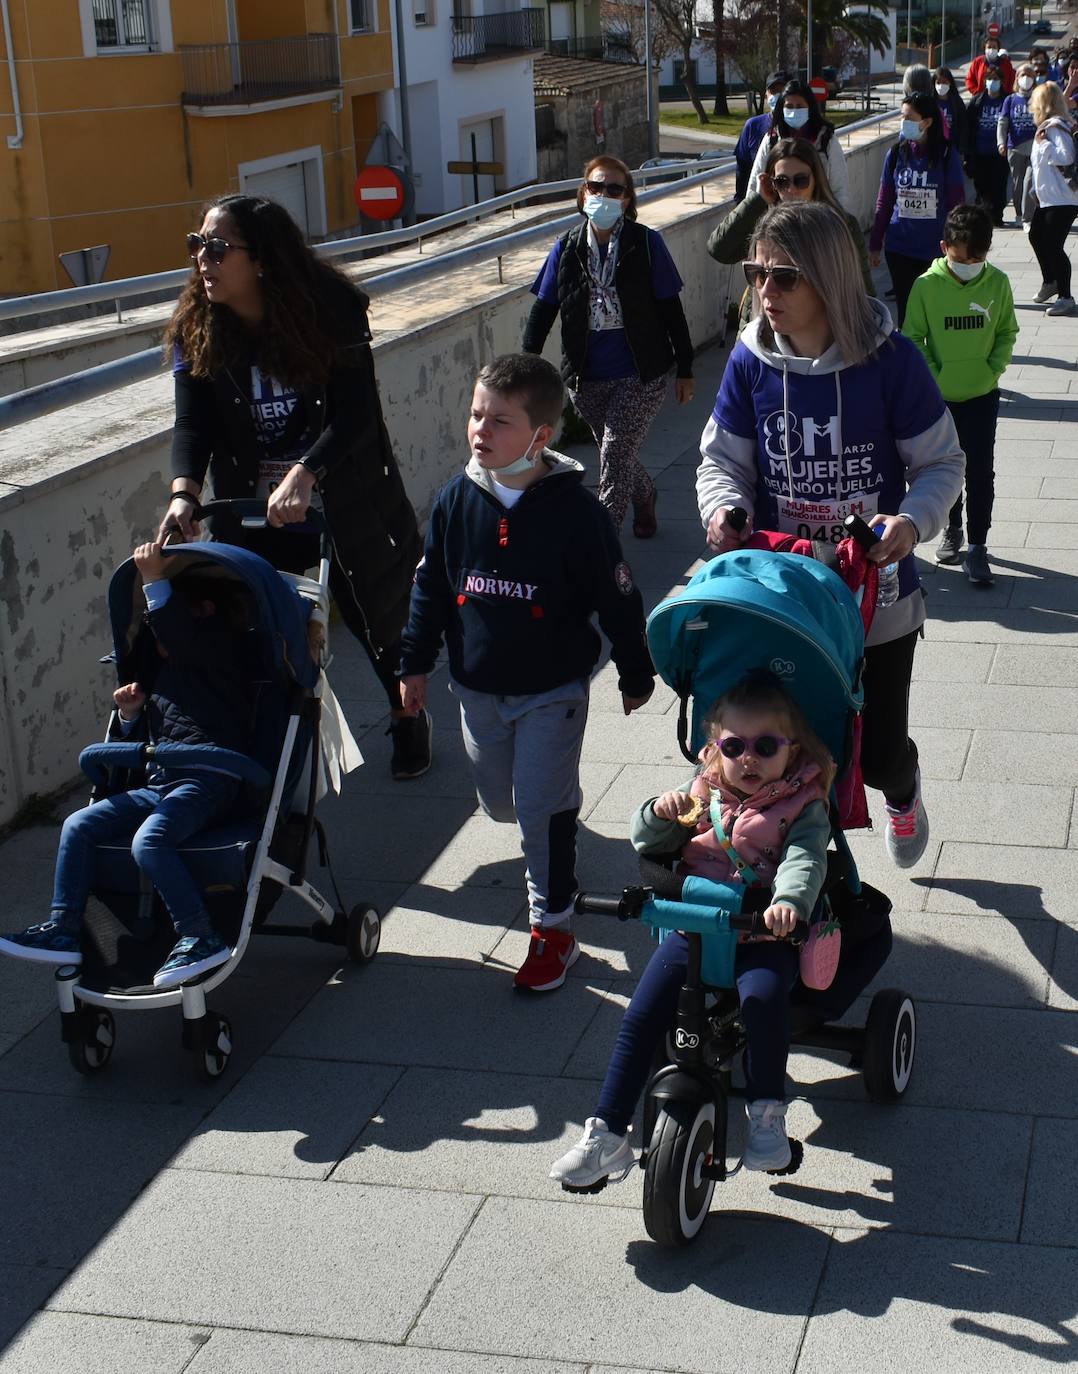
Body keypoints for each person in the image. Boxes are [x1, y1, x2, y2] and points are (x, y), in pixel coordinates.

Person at [697, 201, 965, 867]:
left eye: (784, 276)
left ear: (829, 277)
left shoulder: (893, 362)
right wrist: (723, 508)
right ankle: (807, 890)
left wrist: (909, 523)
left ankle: (902, 793)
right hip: (782, 599)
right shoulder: (749, 362)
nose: (765, 290)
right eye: (758, 273)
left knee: (876, 755)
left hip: (880, 601)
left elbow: (941, 462)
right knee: (791, 756)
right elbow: (722, 461)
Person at [398, 354, 655, 992]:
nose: (480, 430)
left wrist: (635, 670)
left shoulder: (579, 515)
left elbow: (617, 596)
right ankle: (554, 809)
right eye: (476, 414)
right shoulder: (455, 501)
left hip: (553, 692)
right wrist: (414, 662)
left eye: (500, 420)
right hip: (478, 692)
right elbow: (431, 589)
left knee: (538, 810)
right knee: (502, 803)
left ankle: (553, 927)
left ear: (541, 435)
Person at [160, 193, 428, 782]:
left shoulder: (329, 308)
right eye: (197, 245)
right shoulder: (197, 324)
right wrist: (184, 492)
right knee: (256, 617)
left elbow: (356, 414)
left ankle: (405, 713)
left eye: (218, 247)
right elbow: (192, 423)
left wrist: (305, 473)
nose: (203, 258)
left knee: (371, 614)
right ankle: (261, 746)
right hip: (251, 501)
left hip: (340, 486)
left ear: (262, 260)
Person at [549, 675, 835, 1182]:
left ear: (791, 752)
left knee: (764, 1002)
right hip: (695, 928)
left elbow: (805, 861)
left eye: (765, 747)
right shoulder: (703, 790)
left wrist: (788, 901)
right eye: (734, 746)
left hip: (761, 934)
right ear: (713, 748)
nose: (748, 759)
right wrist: (658, 814)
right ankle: (607, 1133)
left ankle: (766, 1116)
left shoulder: (802, 805)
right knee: (641, 1015)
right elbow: (649, 840)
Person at [0, 543, 254, 989]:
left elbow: (181, 636)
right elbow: (132, 756)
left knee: (148, 842)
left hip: (209, 778)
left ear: (204, 612)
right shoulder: (165, 677)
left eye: (166, 623)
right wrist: (131, 716)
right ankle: (64, 928)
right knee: (78, 825)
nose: (158, 638)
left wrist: (155, 580)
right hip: (161, 781)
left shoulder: (222, 655)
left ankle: (200, 933)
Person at [522, 156, 695, 539]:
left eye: (614, 189)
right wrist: (523, 368)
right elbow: (544, 308)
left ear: (627, 199)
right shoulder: (566, 248)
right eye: (596, 187)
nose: (603, 195)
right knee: (616, 452)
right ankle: (646, 494)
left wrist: (685, 367)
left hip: (640, 374)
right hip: (586, 379)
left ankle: (601, 550)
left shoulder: (646, 244)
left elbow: (671, 309)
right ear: (584, 193)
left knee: (614, 455)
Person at [903, 205, 1018, 588]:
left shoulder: (997, 283)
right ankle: (953, 529)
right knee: (945, 469)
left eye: (978, 258)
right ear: (943, 247)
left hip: (982, 395)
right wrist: (934, 378)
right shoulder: (925, 286)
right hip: (939, 402)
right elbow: (913, 340)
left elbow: (1006, 331)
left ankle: (978, 546)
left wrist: (992, 369)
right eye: (960, 258)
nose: (969, 265)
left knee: (980, 470)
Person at [707, 137, 873, 335]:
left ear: (816, 180)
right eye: (781, 182)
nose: (791, 189)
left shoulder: (841, 225)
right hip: (764, 335)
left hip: (819, 342)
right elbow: (719, 249)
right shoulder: (763, 219)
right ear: (771, 183)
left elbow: (864, 293)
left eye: (801, 180)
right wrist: (757, 200)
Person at [869, 93, 966, 324]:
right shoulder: (895, 154)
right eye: (903, 117)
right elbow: (884, 201)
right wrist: (875, 243)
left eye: (909, 118)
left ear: (927, 121)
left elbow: (956, 205)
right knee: (905, 310)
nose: (904, 123)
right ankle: (909, 356)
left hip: (934, 250)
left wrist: (958, 246)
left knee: (932, 312)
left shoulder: (946, 155)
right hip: (899, 247)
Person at [746, 80, 853, 213]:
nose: (794, 111)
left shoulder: (826, 140)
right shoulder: (771, 139)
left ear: (810, 108)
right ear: (782, 109)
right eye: (789, 106)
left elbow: (840, 189)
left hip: (819, 222)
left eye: (800, 106)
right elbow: (754, 186)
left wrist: (841, 222)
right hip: (780, 220)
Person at [1027, 82, 1078, 316]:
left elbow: (1066, 157)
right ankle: (1051, 281)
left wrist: (1044, 144)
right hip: (1048, 198)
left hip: (1062, 199)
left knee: (1053, 245)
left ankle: (1066, 296)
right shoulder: (1046, 128)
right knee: (1036, 235)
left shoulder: (1055, 128)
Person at [734, 70, 791, 202]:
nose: (778, 96)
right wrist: (740, 206)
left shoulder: (797, 125)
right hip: (759, 203)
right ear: (766, 95)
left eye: (782, 91)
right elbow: (742, 169)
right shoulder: (752, 126)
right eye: (774, 91)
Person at [964, 62, 1009, 225]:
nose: (992, 81)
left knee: (998, 185)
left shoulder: (1007, 100)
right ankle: (983, 215)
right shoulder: (977, 101)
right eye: (989, 78)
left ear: (1001, 81)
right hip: (979, 152)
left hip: (999, 153)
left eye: (996, 79)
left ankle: (997, 215)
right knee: (981, 185)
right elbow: (968, 126)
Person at [998, 64, 1039, 228]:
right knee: (1017, 184)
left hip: (1035, 148)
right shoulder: (1010, 99)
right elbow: (1003, 123)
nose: (1026, 78)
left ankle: (1027, 218)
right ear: (1017, 78)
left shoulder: (1038, 98)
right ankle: (1018, 214)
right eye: (1023, 74)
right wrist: (1001, 142)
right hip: (1014, 148)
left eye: (1030, 75)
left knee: (1029, 182)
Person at [933, 66, 967, 146]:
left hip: (953, 145)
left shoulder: (957, 102)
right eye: (938, 82)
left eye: (945, 82)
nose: (941, 85)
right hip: (935, 145)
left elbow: (963, 125)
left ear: (950, 83)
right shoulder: (930, 102)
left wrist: (962, 147)